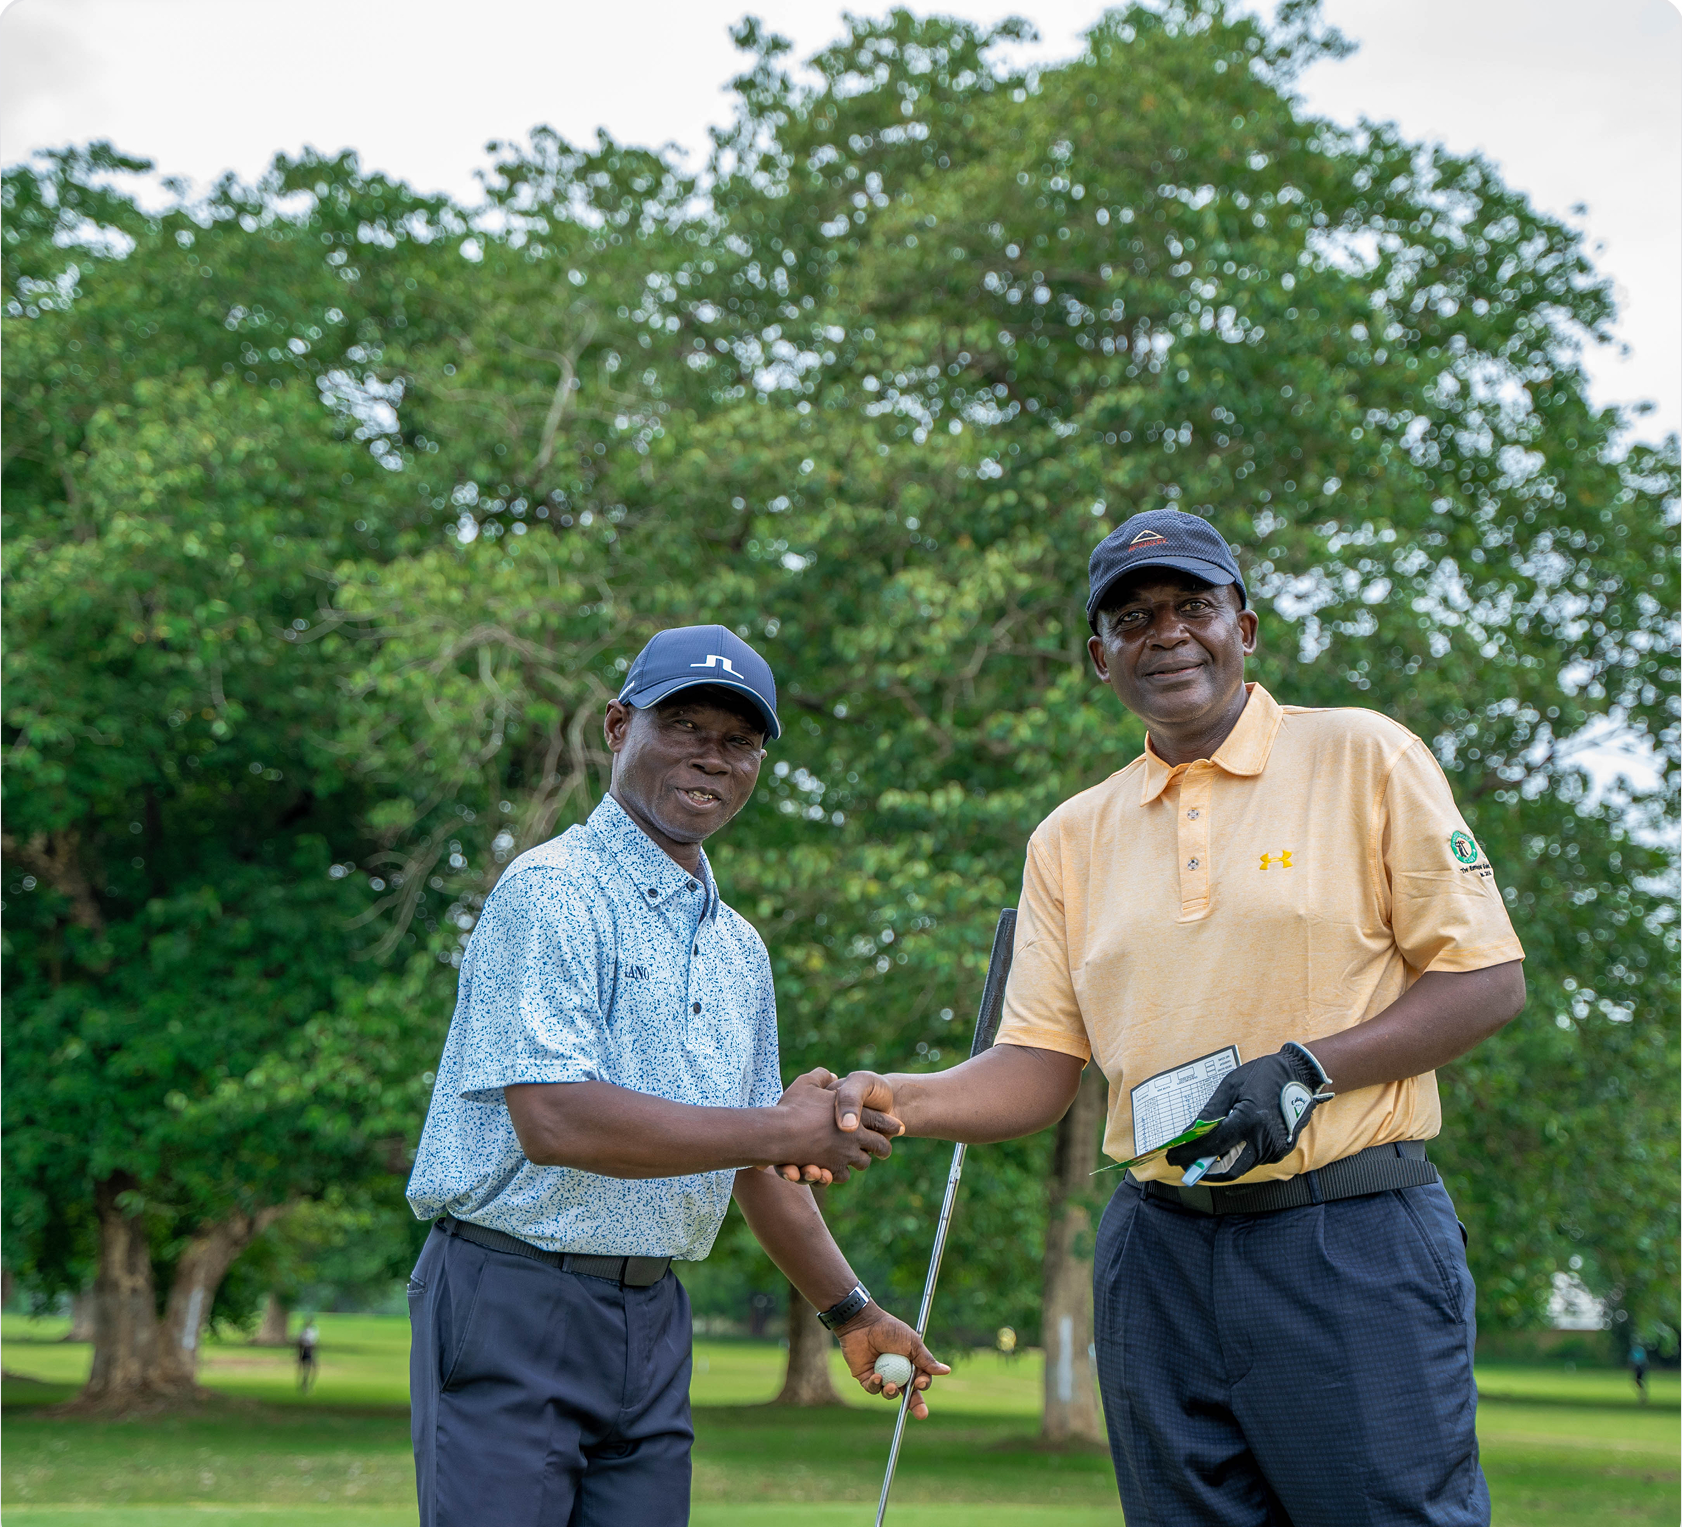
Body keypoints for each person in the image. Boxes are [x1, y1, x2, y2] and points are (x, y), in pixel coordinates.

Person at [816, 511, 1527, 1526]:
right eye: (1133, 617)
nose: (1167, 634)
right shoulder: (1070, 835)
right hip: (1157, 1257)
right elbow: (1034, 1068)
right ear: (1096, 654)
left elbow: (1483, 978)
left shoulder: (1363, 755)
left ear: (1245, 626)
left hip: (1346, 1236)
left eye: (1194, 606)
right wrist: (894, 1097)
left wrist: (1302, 1070)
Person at [404, 624, 944, 1527]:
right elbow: (556, 1120)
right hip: (510, 1296)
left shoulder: (739, 949)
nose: (711, 758)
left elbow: (754, 1162)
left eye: (739, 741)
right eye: (684, 726)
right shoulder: (553, 890)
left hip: (651, 1316)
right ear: (619, 727)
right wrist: (782, 1127)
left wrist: (851, 1311)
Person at [296, 1319, 319, 1393]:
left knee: (309, 1369)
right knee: (308, 1369)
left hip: (308, 1351)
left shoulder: (309, 1331)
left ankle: (306, 1384)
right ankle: (305, 1384)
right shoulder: (308, 1332)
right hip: (307, 1350)